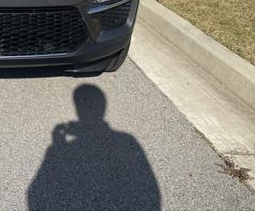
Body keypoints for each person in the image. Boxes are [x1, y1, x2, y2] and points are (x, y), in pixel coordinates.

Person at [28, 84, 161, 210]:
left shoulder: (125, 140)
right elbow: (150, 189)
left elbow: (35, 191)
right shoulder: (126, 140)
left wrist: (57, 144)